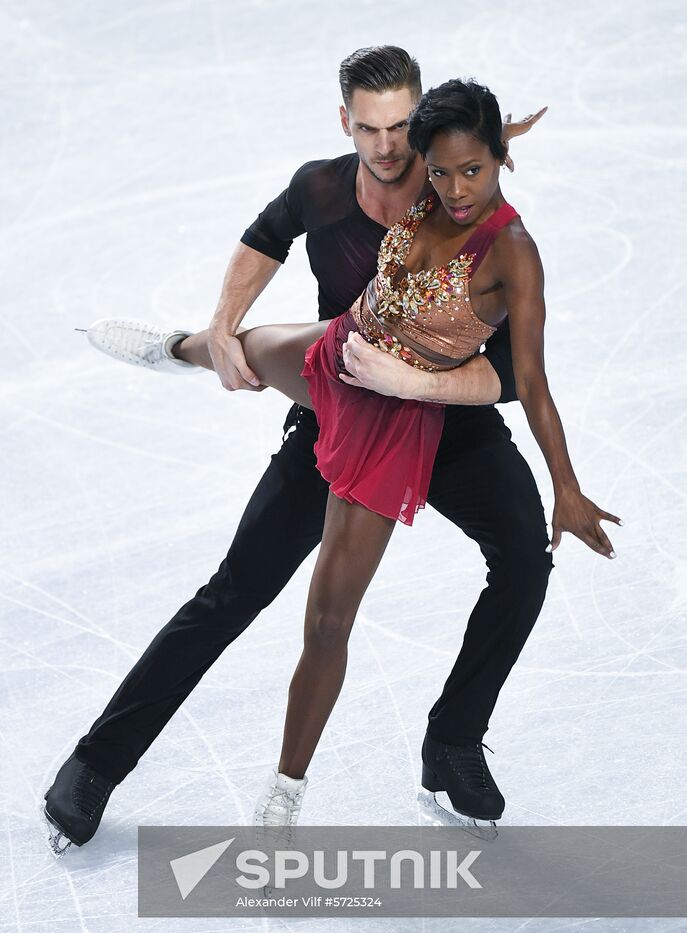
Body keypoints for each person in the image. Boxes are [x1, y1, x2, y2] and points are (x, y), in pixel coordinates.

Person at [43, 49, 614, 854]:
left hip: (451, 421)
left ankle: (451, 742)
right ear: (345, 122)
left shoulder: (466, 199)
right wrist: (222, 328)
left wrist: (431, 394)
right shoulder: (326, 186)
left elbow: (521, 373)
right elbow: (264, 237)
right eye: (369, 128)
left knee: (523, 557)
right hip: (338, 397)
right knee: (237, 587)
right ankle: (97, 762)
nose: (389, 149)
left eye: (401, 131)